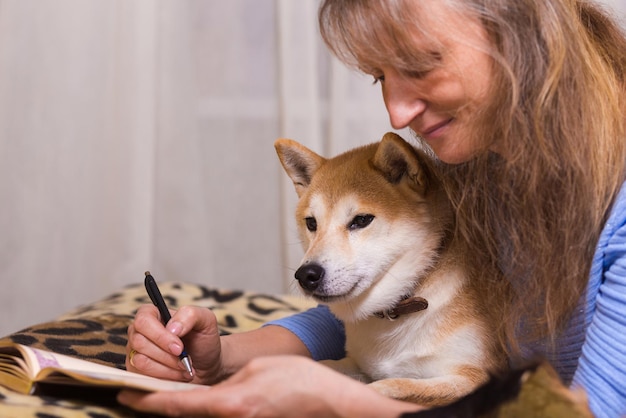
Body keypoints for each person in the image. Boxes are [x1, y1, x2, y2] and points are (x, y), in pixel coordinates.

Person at [118, 0, 626, 417]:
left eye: (420, 65)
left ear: (523, 33)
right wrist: (223, 357)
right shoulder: (483, 172)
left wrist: (342, 402)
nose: (396, 113)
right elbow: (381, 313)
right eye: (378, 76)